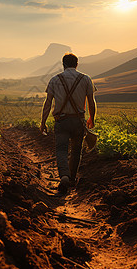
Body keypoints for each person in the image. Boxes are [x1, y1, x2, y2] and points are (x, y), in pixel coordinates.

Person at [40, 53, 96, 195]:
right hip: (78, 121)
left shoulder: (54, 80)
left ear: (63, 65)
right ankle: (71, 179)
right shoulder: (86, 79)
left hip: (61, 121)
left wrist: (43, 122)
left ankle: (64, 176)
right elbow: (91, 101)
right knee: (77, 151)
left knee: (61, 150)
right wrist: (92, 119)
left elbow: (47, 103)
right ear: (77, 64)